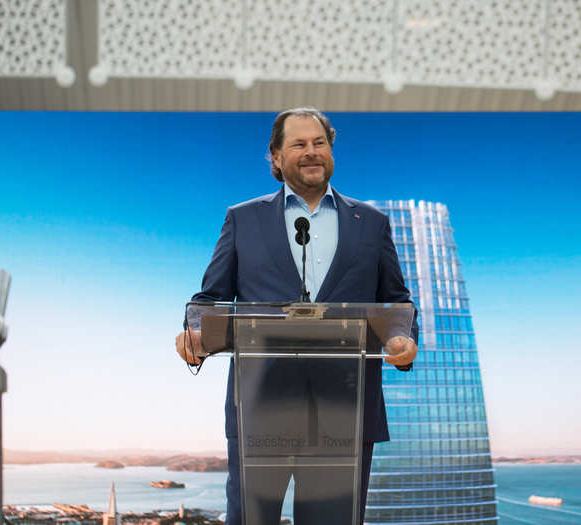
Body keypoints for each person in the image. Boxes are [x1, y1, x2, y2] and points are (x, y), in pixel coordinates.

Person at [175, 108, 418, 525]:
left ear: (331, 149)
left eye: (319, 143)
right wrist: (195, 334)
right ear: (275, 155)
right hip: (260, 410)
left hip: (345, 412)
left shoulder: (372, 223)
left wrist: (403, 339)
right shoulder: (242, 218)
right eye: (299, 144)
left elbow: (397, 302)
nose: (311, 152)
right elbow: (208, 300)